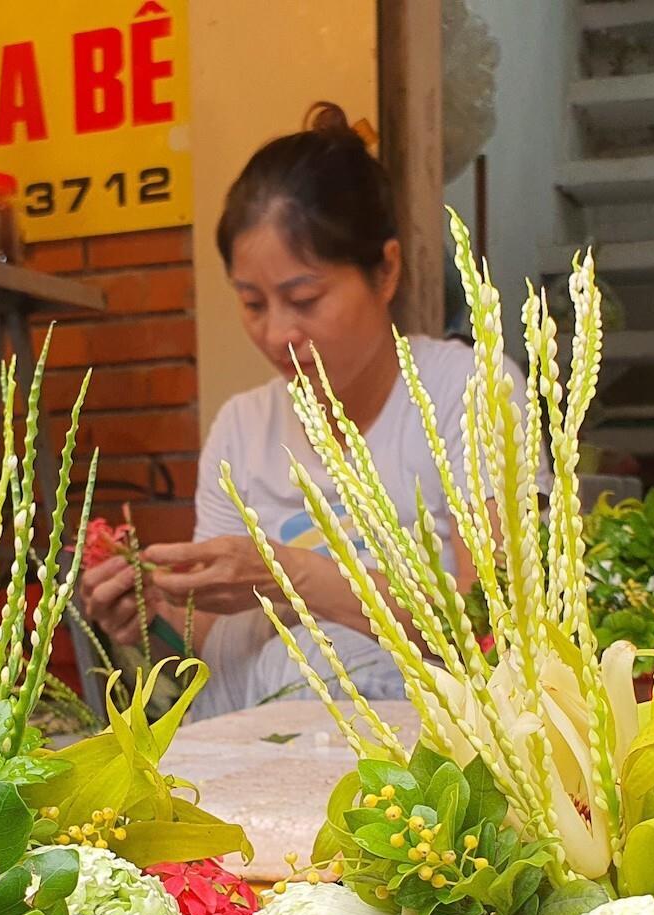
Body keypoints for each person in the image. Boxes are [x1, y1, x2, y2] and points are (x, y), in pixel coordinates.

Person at [78, 103, 542, 717]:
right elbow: (212, 640)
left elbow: (496, 620)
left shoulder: (468, 390)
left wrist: (290, 575)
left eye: (304, 298)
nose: (277, 334)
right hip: (240, 739)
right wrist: (151, 617)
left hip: (411, 757)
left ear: (385, 270)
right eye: (252, 303)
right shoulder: (242, 428)